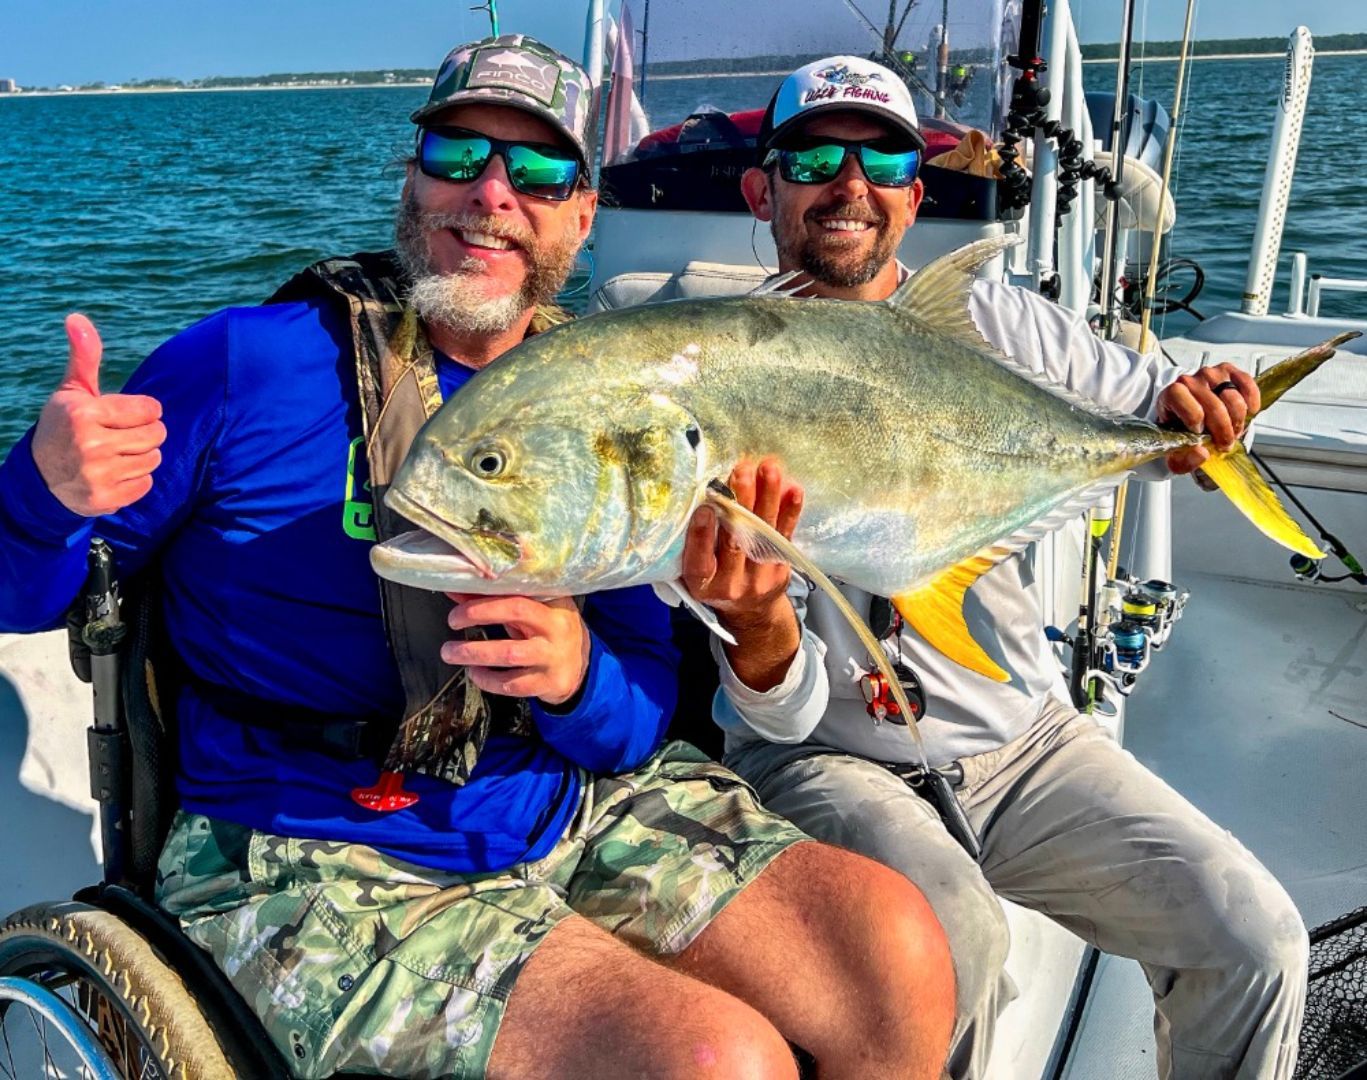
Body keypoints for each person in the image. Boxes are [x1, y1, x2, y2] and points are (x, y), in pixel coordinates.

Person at [0, 37, 956, 1079]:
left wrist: (577, 677)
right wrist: (44, 492)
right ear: (411, 182)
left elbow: (638, 711)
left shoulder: (616, 394)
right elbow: (30, 595)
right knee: (713, 1060)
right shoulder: (245, 366)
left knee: (893, 952)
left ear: (582, 216)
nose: (492, 193)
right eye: (458, 154)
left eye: (539, 170)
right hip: (303, 845)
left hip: (561, 802)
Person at [682, 54, 1309, 1080]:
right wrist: (755, 623)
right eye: (814, 157)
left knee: (1255, 940)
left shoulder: (1002, 322)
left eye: (884, 159)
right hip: (826, 757)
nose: (850, 182)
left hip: (1024, 741)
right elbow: (774, 716)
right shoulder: (719, 366)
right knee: (949, 945)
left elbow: (1155, 407)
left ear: (912, 194)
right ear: (762, 190)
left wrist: (1207, 411)